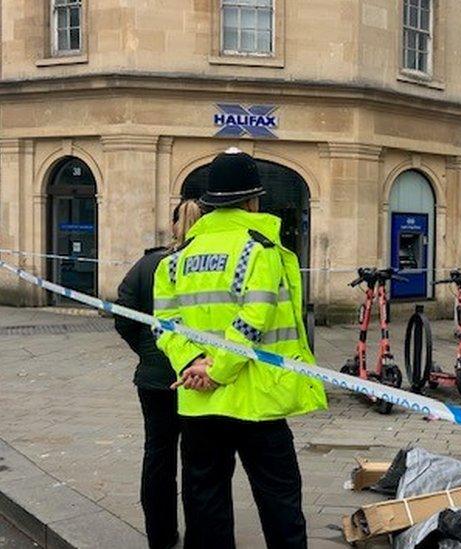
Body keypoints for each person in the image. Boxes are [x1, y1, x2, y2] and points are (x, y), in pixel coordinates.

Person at [154, 148, 327, 549]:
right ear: (252, 200)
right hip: (256, 401)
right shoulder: (258, 250)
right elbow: (254, 319)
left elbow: (164, 326)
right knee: (280, 501)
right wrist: (218, 370)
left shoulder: (176, 261)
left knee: (205, 502)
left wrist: (193, 363)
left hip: (199, 403)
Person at [115, 199, 202, 549]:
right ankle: (201, 535)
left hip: (153, 379)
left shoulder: (149, 263)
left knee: (158, 456)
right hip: (200, 378)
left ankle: (161, 537)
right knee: (199, 461)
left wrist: (147, 352)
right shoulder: (207, 265)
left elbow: (123, 314)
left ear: (172, 224)